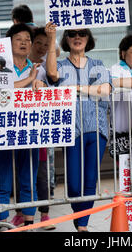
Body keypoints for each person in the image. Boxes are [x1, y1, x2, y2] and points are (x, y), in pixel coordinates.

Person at [46, 27, 112, 232]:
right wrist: (50, 39)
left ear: (88, 38)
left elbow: (105, 90)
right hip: (70, 128)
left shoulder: (98, 65)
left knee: (90, 179)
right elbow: (51, 74)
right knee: (74, 184)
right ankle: (79, 213)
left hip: (96, 127)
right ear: (66, 39)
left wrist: (75, 89)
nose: (77, 38)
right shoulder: (60, 65)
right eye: (72, 34)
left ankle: (83, 224)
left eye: (82, 34)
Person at [0, 23, 47, 227]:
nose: (24, 43)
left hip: (29, 130)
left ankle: (28, 222)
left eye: (28, 39)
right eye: (19, 39)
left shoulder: (38, 69)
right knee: (3, 180)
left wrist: (39, 83)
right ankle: (1, 222)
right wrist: (29, 80)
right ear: (9, 43)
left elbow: (46, 93)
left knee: (29, 178)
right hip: (4, 130)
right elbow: (0, 90)